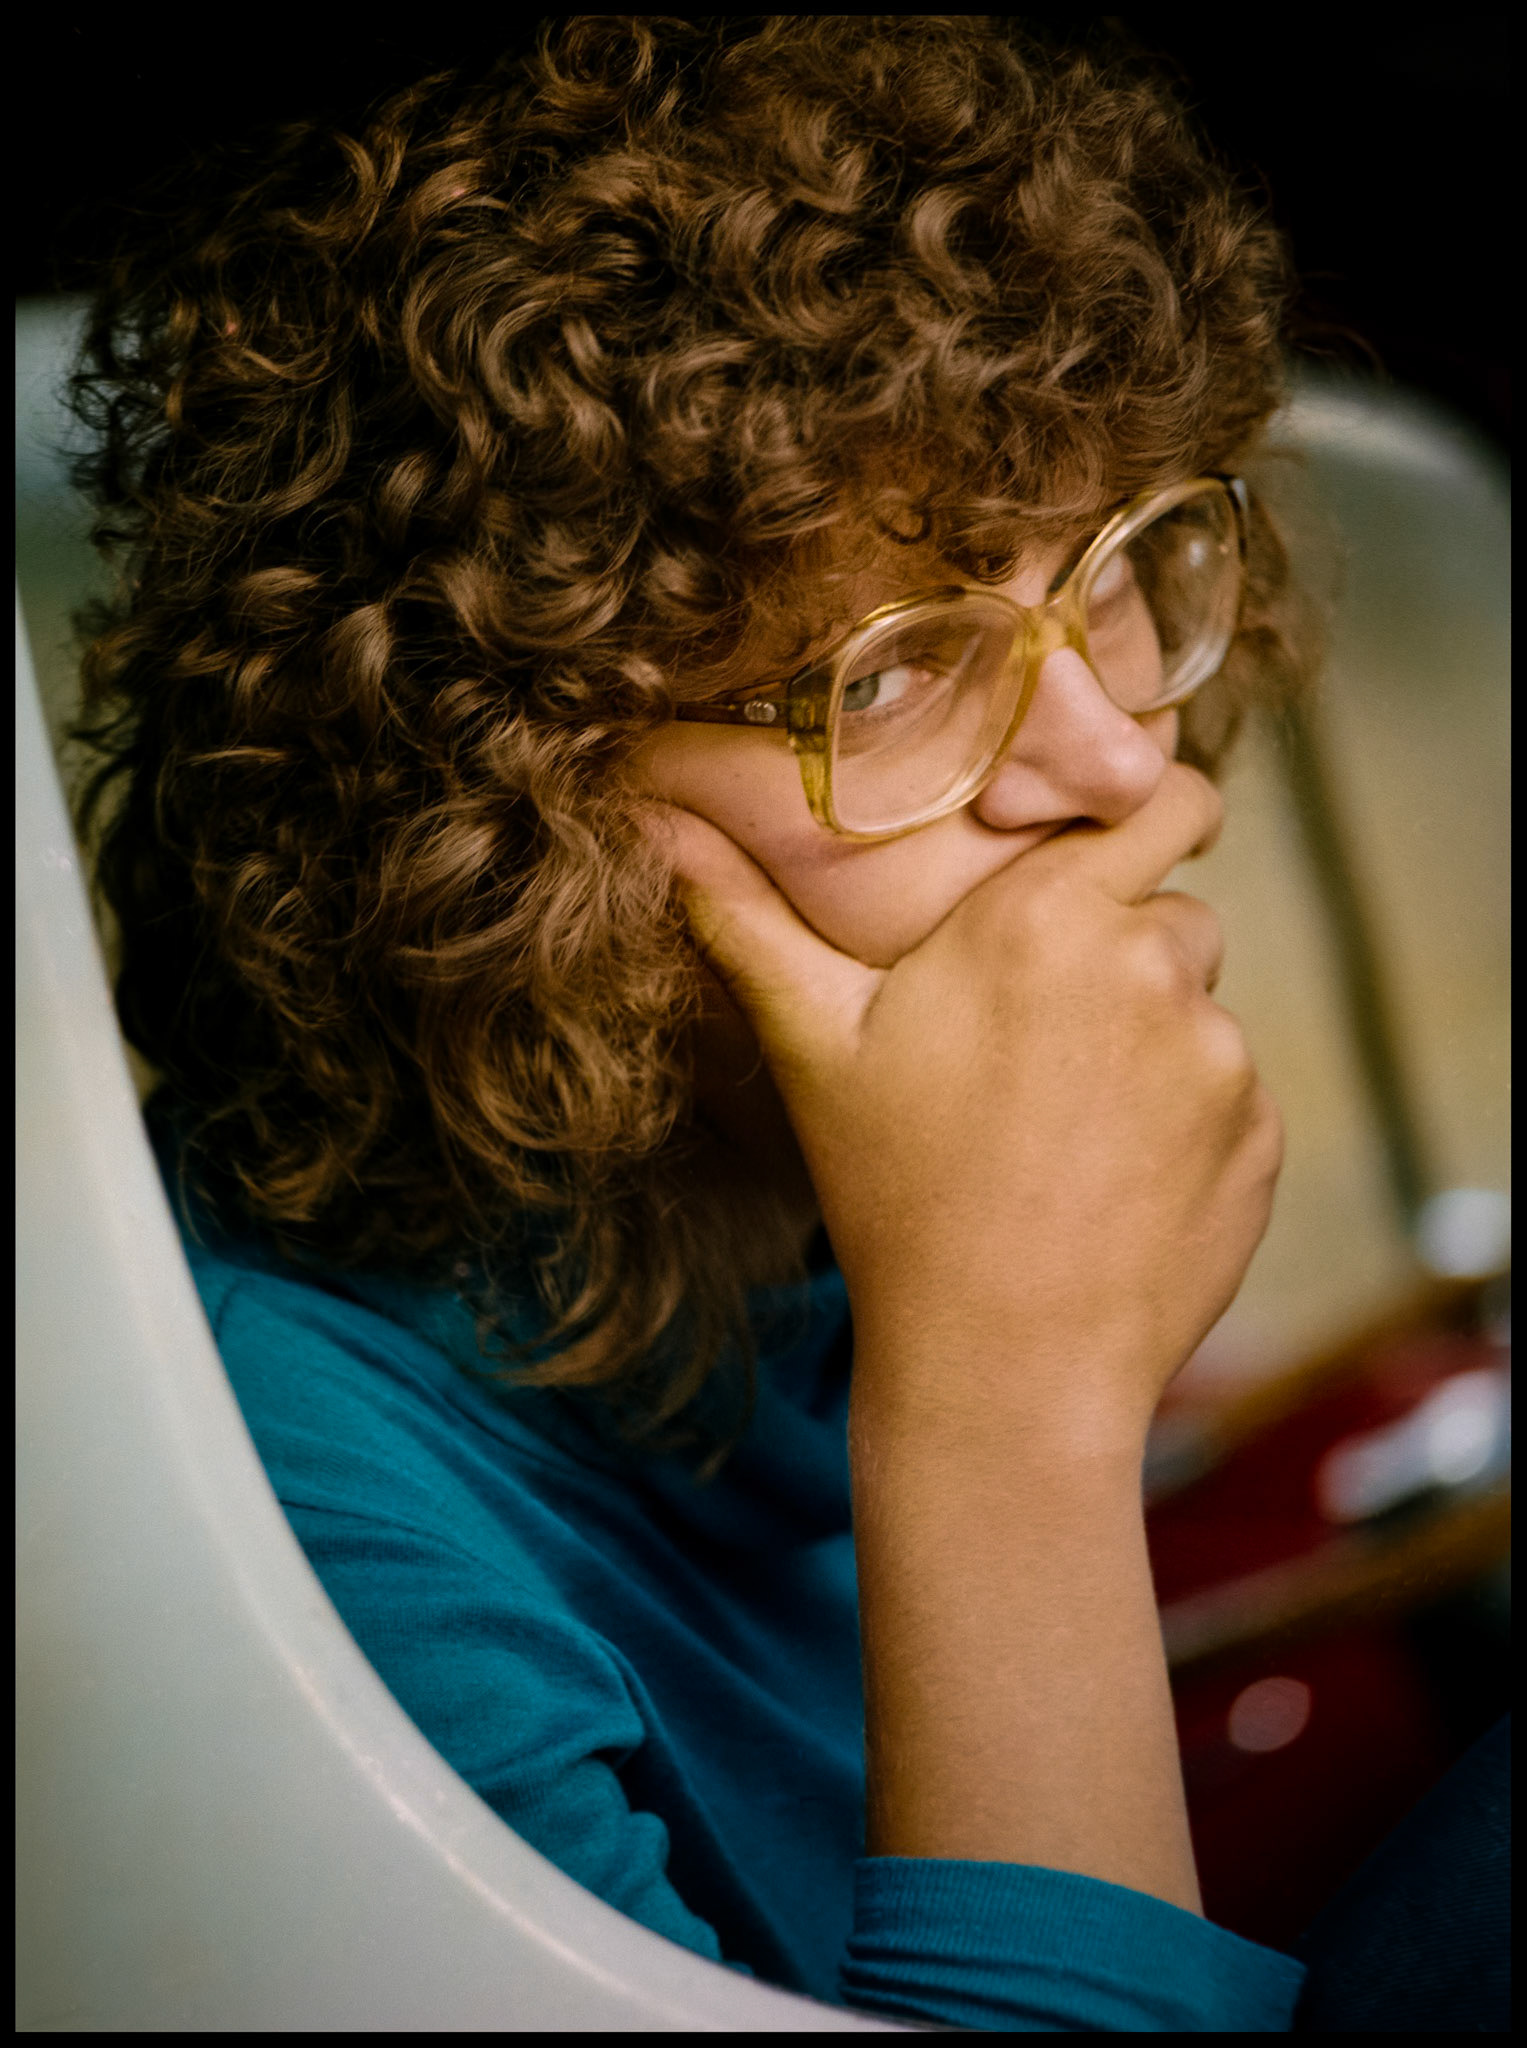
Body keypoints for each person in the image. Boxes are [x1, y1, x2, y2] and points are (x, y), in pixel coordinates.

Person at [63, 17, 1506, 2031]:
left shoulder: (771, 1202)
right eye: (893, 675)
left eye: (1106, 572)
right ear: (486, 802)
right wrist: (1006, 1414)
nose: (1115, 753)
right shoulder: (308, 1547)